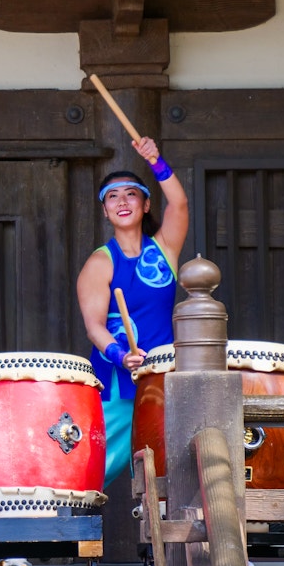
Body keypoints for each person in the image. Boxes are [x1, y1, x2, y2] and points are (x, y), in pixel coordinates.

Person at [76, 136, 190, 489]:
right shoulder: (100, 262)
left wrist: (156, 160)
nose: (121, 201)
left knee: (169, 469)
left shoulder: (165, 249)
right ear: (105, 210)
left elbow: (180, 203)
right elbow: (94, 327)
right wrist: (121, 355)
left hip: (164, 374)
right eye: (112, 196)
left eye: (130, 194)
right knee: (92, 467)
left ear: (144, 204)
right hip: (118, 380)